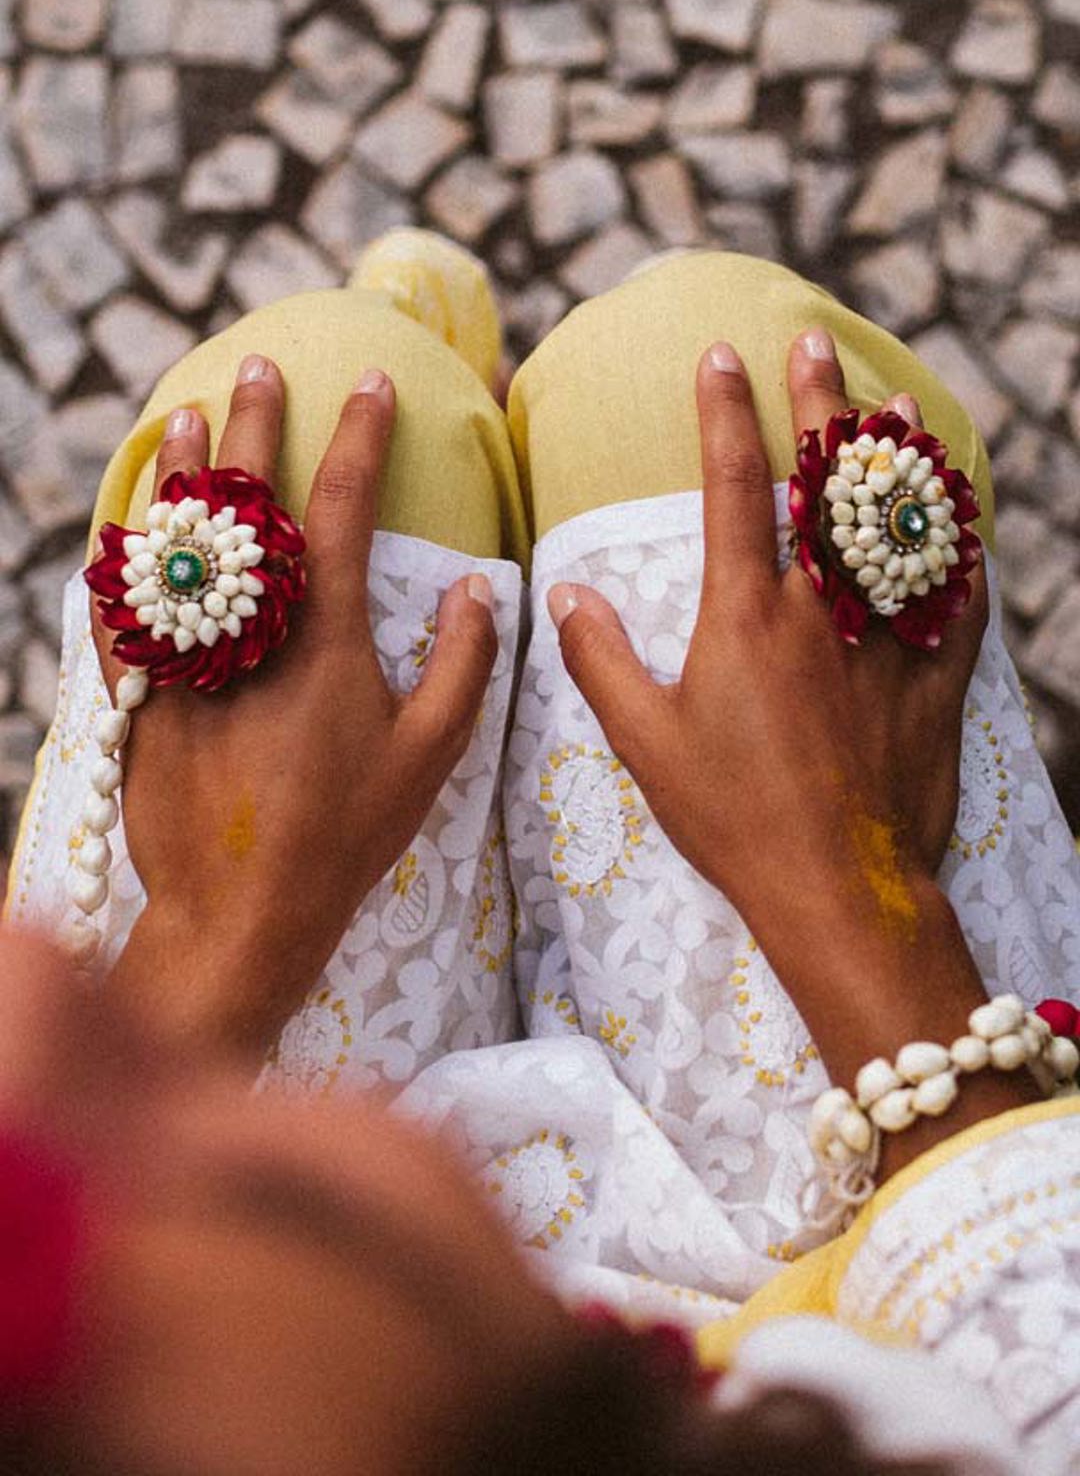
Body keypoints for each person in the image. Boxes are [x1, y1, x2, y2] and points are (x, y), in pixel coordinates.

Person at [6, 232, 1080, 1472]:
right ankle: (493, 428)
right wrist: (853, 882)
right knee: (687, 362)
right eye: (35, 1278)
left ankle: (435, 396)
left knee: (315, 405)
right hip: (887, 1260)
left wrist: (209, 934)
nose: (25, 989)